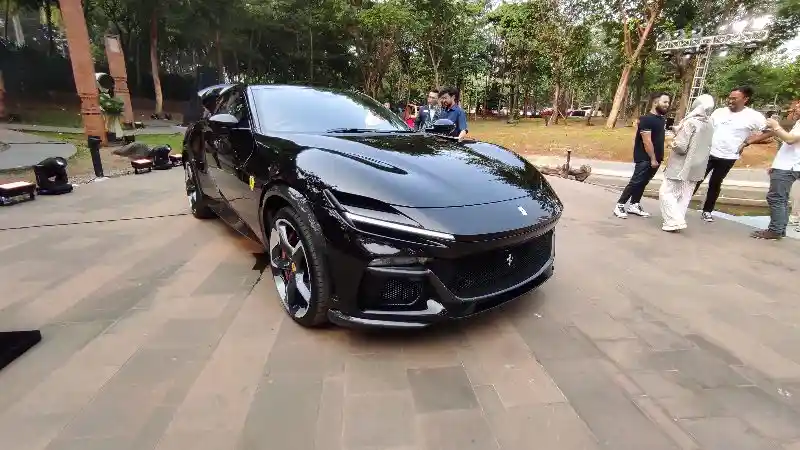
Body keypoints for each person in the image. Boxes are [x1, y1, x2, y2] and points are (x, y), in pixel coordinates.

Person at [693, 86, 774, 222]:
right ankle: (681, 205)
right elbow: (707, 127)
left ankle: (707, 211)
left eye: (734, 98)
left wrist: (748, 142)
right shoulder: (719, 112)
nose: (730, 101)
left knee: (715, 183)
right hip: (709, 152)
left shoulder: (754, 116)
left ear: (745, 99)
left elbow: (771, 131)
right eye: (729, 98)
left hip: (729, 156)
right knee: (696, 179)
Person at [659, 94, 715, 232]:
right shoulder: (710, 124)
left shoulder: (690, 122)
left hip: (681, 166)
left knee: (666, 192)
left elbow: (681, 146)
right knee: (684, 196)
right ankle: (678, 220)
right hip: (698, 166)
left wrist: (671, 141)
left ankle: (673, 221)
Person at [613, 92, 671, 219]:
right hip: (645, 158)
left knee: (643, 182)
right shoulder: (646, 120)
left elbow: (658, 138)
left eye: (668, 102)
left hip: (656, 158)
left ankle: (634, 204)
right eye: (664, 102)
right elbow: (647, 141)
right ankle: (620, 205)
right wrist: (653, 159)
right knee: (636, 182)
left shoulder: (661, 119)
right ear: (655, 102)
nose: (667, 104)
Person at [749, 113, 800, 240]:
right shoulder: (798, 123)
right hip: (785, 165)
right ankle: (779, 229)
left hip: (788, 166)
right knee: (781, 198)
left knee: (776, 198)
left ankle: (775, 231)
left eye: (798, 106)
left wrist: (775, 125)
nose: (794, 108)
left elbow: (790, 140)